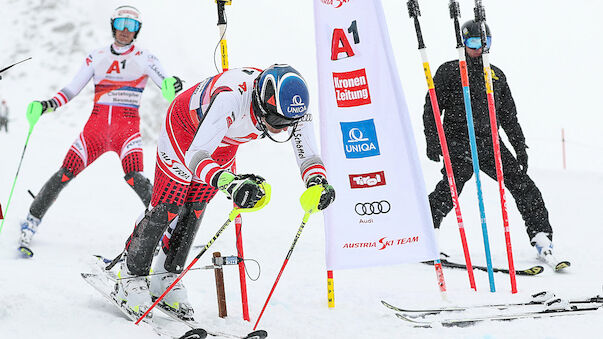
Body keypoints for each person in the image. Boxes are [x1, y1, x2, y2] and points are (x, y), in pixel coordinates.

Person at [112, 64, 336, 319]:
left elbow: (308, 153)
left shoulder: (293, 108)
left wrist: (318, 182)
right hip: (185, 130)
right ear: (262, 106)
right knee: (168, 206)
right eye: (276, 122)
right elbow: (196, 155)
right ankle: (130, 276)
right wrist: (229, 182)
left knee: (196, 206)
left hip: (224, 142)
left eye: (289, 123)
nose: (284, 129)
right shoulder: (231, 97)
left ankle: (166, 276)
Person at [18, 5, 183, 255]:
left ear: (138, 30)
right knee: (64, 174)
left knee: (135, 178)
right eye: (120, 25)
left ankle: (167, 228)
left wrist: (174, 84)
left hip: (126, 131)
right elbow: (72, 89)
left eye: (132, 26)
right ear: (112, 26)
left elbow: (166, 85)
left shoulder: (145, 57)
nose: (125, 31)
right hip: (94, 131)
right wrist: (47, 105)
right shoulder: (96, 56)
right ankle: (30, 222)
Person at [424, 20, 561, 265]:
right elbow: (431, 109)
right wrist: (433, 141)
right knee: (450, 189)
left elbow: (509, 116)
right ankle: (426, 233)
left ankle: (541, 236)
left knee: (523, 185)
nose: (480, 48)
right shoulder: (449, 71)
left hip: (490, 143)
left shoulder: (495, 75)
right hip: (458, 141)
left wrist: (519, 147)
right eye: (474, 42)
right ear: (464, 43)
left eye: (484, 42)